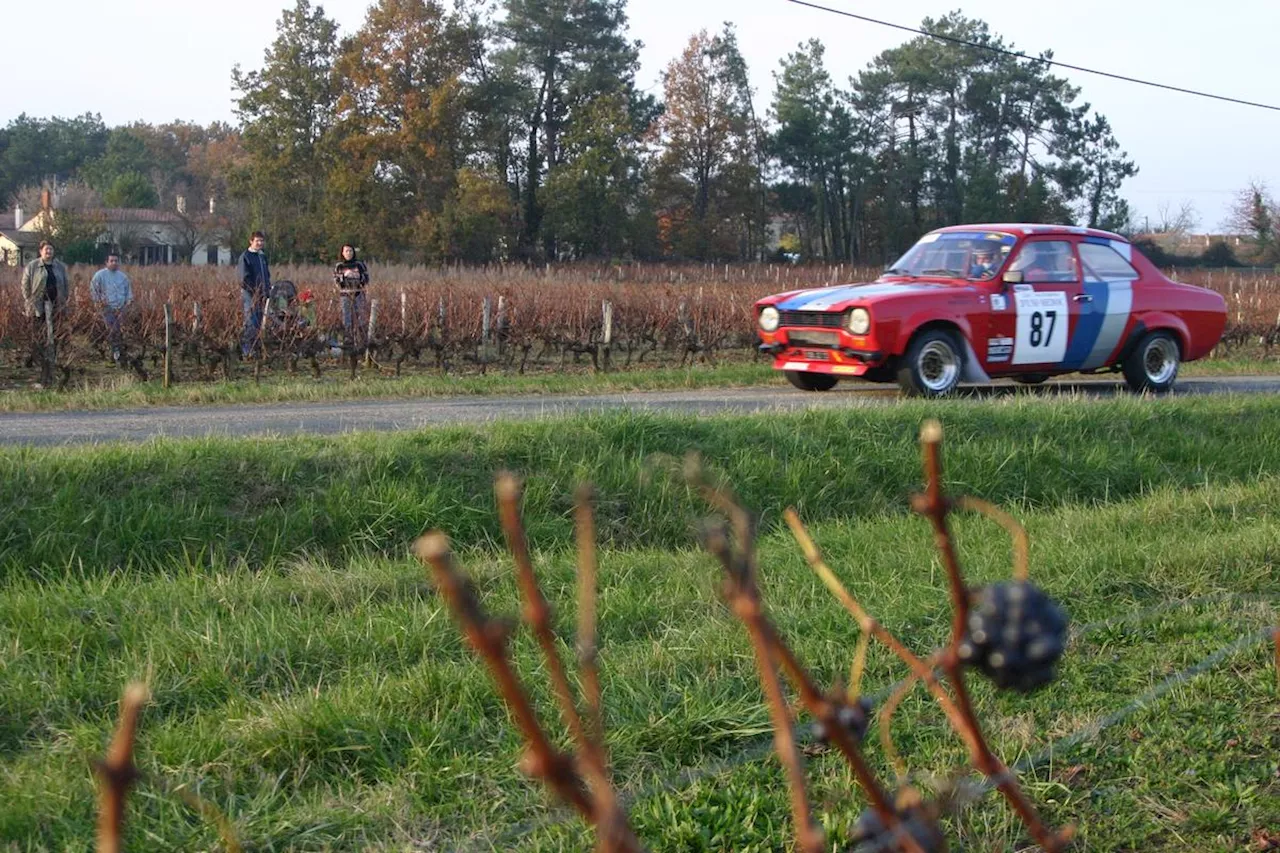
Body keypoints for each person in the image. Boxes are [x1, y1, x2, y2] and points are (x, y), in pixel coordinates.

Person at [20, 241, 70, 369]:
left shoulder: (59, 267)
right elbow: (25, 285)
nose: (49, 252)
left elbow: (65, 284)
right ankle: (35, 358)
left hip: (56, 304)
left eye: (51, 249)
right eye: (46, 249)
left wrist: (64, 300)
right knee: (38, 332)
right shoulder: (32, 266)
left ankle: (52, 357)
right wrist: (29, 300)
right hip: (38, 305)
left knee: (55, 332)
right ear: (41, 251)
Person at [89, 251, 133, 363]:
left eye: (116, 261)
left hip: (121, 308)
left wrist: (128, 302)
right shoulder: (99, 276)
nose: (114, 263)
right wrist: (99, 304)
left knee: (121, 331)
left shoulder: (123, 277)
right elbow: (93, 291)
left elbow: (128, 292)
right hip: (107, 308)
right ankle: (114, 354)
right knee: (112, 331)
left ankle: (119, 353)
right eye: (111, 261)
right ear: (106, 262)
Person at [238, 231, 271, 357]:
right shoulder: (246, 256)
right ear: (251, 241)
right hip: (250, 294)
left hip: (262, 294)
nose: (260, 243)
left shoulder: (262, 257)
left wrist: (267, 289)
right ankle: (247, 348)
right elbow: (243, 279)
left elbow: (266, 275)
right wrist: (254, 292)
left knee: (260, 321)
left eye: (262, 241)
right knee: (250, 320)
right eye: (257, 240)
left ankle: (256, 347)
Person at [333, 243, 370, 349]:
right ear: (342, 253)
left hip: (359, 293)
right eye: (346, 251)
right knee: (346, 317)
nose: (349, 253)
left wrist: (358, 277)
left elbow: (366, 279)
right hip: (345, 294)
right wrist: (344, 276)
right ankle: (348, 339)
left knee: (361, 316)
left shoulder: (360, 264)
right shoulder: (339, 266)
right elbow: (336, 281)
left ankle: (362, 338)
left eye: (350, 251)